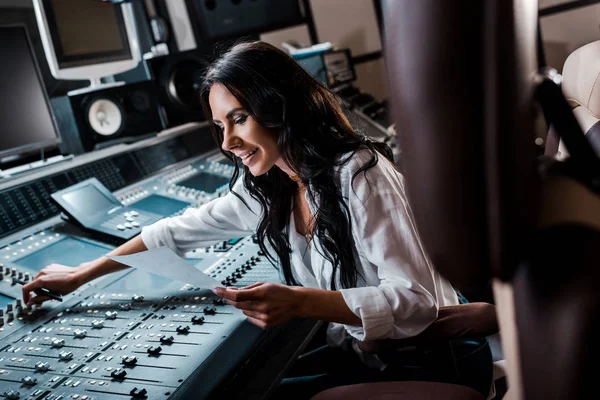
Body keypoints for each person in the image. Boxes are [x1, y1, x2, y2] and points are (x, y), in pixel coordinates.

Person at [22, 41, 493, 399]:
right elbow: (170, 233)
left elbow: (415, 302)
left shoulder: (359, 173)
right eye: (220, 125)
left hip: (427, 361)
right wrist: (83, 275)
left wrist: (300, 302)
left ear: (279, 108)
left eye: (239, 118)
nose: (227, 141)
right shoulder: (271, 185)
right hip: (363, 356)